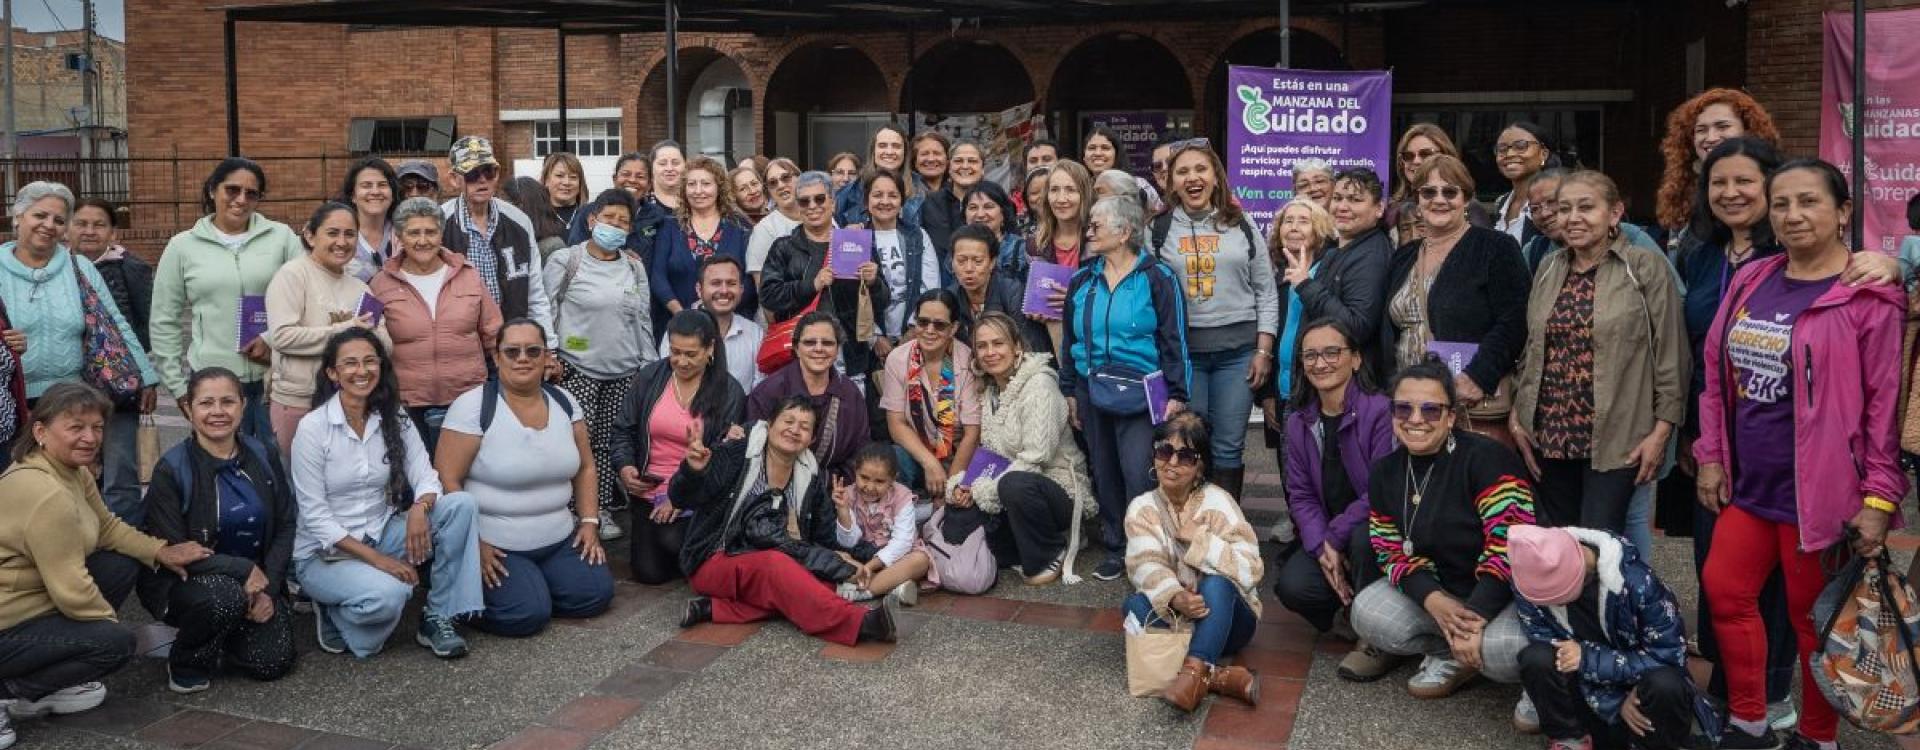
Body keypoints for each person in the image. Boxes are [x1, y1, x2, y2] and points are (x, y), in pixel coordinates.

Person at [1695, 159, 1907, 750]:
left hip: (1823, 497)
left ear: (1842, 212)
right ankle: (1749, 721)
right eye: (1781, 203)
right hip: (1751, 483)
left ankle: (1818, 738)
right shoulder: (1753, 277)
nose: (1792, 215)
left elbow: (1883, 410)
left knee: (1812, 622)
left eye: (1809, 202)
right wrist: (1711, 454)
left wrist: (1880, 498)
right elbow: (1716, 373)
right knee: (1725, 592)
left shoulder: (1869, 297)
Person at [0, 383, 211, 744]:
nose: (90, 437)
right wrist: (107, 635)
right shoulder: (45, 493)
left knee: (120, 564)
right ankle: (11, 691)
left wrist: (159, 550)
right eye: (75, 427)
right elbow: (72, 592)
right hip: (8, 624)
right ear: (40, 432)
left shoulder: (71, 471)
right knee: (113, 644)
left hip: (32, 605)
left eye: (97, 427)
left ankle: (47, 681)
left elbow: (107, 528)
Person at [1351, 359, 1537, 719]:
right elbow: (1389, 549)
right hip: (1447, 590)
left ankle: (1540, 682)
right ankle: (1452, 652)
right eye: (1403, 408)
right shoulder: (1386, 472)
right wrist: (1432, 599)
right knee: (1368, 614)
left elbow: (1509, 548)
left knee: (1501, 652)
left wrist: (1477, 615)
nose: (1415, 419)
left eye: (1431, 410)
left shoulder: (1487, 459)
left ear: (1451, 417)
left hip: (1509, 594)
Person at [1511, 170, 1687, 535]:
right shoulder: (1549, 267)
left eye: (1586, 207)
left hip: (1617, 437)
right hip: (1551, 435)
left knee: (1601, 546)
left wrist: (1661, 434)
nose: (1572, 218)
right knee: (1561, 551)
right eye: (1564, 209)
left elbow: (1672, 356)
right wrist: (1518, 416)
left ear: (1615, 213)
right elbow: (1533, 349)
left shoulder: (1643, 267)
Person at [291, 328, 484, 660]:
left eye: (370, 361)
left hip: (381, 533)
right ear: (332, 373)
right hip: (325, 555)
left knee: (461, 506)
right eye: (350, 363)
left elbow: (426, 476)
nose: (362, 371)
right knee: (389, 600)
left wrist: (421, 509)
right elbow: (316, 518)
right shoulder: (313, 428)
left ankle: (438, 615)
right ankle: (333, 608)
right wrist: (381, 562)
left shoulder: (393, 416)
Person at [434, 319, 614, 637]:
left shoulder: (564, 401)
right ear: (496, 357)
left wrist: (589, 521)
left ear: (547, 357)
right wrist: (473, 544)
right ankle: (470, 597)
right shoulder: (473, 407)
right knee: (526, 615)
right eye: (512, 351)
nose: (523, 358)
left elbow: (586, 467)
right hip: (496, 545)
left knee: (595, 594)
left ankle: (534, 584)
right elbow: (447, 480)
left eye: (533, 351)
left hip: (558, 538)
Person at [672, 396, 900, 646]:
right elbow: (682, 498)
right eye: (788, 421)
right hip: (717, 558)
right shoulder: (736, 454)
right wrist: (692, 471)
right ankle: (861, 623)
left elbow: (823, 538)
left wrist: (864, 555)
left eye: (804, 427)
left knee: (810, 583)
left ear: (812, 439)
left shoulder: (810, 477)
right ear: (769, 424)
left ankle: (714, 609)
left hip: (778, 560)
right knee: (781, 568)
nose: (794, 430)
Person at [0, 182, 158, 522]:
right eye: (40, 215)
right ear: (18, 216)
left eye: (58, 219)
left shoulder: (79, 268)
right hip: (12, 400)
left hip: (69, 399)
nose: (49, 225)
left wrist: (145, 376)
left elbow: (114, 324)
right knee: (18, 488)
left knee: (70, 489)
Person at [140, 368, 298, 692]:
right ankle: (186, 662)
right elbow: (175, 552)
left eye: (227, 401)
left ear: (242, 405)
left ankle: (224, 636)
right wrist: (242, 570)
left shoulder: (262, 452)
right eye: (206, 403)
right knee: (223, 598)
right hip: (191, 584)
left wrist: (269, 590)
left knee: (271, 663)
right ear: (188, 409)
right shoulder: (171, 469)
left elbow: (285, 523)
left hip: (257, 583)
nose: (217, 412)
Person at [1062, 196, 1190, 582]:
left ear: (1125, 231)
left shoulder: (1158, 277)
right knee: (1104, 470)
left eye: (1097, 224)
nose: (1090, 231)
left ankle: (1148, 547)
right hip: (1091, 388)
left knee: (1139, 471)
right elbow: (1070, 339)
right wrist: (1070, 389)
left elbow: (1175, 339)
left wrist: (1178, 396)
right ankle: (1117, 545)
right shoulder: (1082, 279)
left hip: (1143, 390)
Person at [1510, 525, 1716, 750]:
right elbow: (1547, 643)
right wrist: (1616, 704)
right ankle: (1570, 739)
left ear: (1576, 575)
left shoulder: (1638, 584)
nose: (1549, 605)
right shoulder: (1528, 581)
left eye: (1554, 599)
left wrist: (1588, 658)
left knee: (1665, 684)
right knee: (1537, 657)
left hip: (1641, 705)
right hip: (1593, 701)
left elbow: (1669, 658)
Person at [1270, 320, 1397, 680]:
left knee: (1362, 540)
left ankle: (1378, 638)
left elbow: (1380, 492)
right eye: (1310, 355)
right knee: (1292, 586)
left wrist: (1333, 537)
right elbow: (1300, 494)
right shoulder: (1298, 421)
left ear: (1355, 359)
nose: (1320, 363)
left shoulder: (1379, 411)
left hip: (1372, 532)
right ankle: (1350, 613)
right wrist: (1320, 543)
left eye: (1332, 352)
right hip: (1328, 535)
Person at [1151, 141, 1277, 502]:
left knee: (1228, 447)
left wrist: (1263, 350)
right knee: (1189, 444)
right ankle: (1189, 524)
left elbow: (1266, 291)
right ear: (1171, 182)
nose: (1193, 177)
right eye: (1183, 171)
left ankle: (1225, 530)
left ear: (1216, 177)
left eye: (1201, 169)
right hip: (1184, 359)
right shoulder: (1157, 230)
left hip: (1238, 355)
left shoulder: (1242, 223)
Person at [1378, 154, 1531, 447]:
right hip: (1410, 409)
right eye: (1428, 192)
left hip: (1466, 404)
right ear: (1417, 198)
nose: (1439, 199)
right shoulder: (1404, 256)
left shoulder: (1495, 248)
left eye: (1450, 191)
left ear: (1466, 198)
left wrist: (1479, 375)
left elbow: (1516, 318)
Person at [153, 157, 306, 442]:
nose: (241, 200)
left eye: (251, 193)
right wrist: (177, 386)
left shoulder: (282, 238)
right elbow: (164, 319)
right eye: (232, 190)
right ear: (213, 190)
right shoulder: (182, 246)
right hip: (214, 384)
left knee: (278, 469)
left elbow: (306, 297)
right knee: (221, 469)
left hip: (275, 379)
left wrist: (271, 338)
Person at [1122, 412, 1263, 712]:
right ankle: (1211, 675)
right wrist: (1174, 596)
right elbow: (1144, 565)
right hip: (1179, 616)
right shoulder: (1141, 508)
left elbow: (1252, 568)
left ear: (1200, 467)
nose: (1171, 463)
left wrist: (1201, 542)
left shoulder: (1219, 501)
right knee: (1132, 607)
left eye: (1185, 456)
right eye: (1164, 451)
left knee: (1217, 585)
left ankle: (1195, 667)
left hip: (1230, 621)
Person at [949, 311, 1095, 585]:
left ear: (1017, 347)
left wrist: (982, 490)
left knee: (1016, 484)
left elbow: (1035, 459)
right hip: (1007, 488)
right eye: (982, 346)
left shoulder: (1040, 385)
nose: (990, 352)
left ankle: (1053, 548)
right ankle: (1016, 546)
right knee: (958, 516)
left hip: (1058, 490)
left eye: (998, 343)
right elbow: (992, 458)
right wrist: (965, 486)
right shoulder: (991, 390)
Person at [545, 188, 655, 538]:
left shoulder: (634, 267)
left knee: (608, 445)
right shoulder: (567, 261)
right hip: (576, 367)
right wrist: (550, 355)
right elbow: (545, 310)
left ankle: (601, 509)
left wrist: (648, 367)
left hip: (623, 370)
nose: (616, 225)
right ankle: (568, 510)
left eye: (623, 221)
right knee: (576, 443)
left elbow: (642, 320)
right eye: (609, 218)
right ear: (592, 220)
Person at [613, 310, 748, 585]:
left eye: (691, 354)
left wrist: (682, 496)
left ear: (710, 349)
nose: (681, 361)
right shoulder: (650, 377)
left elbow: (725, 462)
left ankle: (705, 546)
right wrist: (626, 467)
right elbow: (623, 430)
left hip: (695, 492)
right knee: (648, 573)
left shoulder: (728, 391)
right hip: (649, 489)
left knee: (674, 542)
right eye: (675, 352)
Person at [370, 197, 504, 453]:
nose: (423, 240)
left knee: (464, 475)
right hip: (407, 403)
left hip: (467, 398)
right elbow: (371, 344)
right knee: (418, 479)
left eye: (430, 232)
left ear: (441, 234)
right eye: (414, 233)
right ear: (399, 236)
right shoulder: (380, 284)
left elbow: (494, 335)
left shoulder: (468, 276)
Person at [265, 202, 389, 457]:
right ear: (310, 236)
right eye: (332, 233)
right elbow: (282, 336)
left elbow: (385, 346)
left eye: (349, 234)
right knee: (297, 487)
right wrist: (348, 330)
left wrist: (365, 337)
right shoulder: (292, 275)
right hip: (299, 401)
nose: (342, 242)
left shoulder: (361, 288)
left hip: (350, 404)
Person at [761, 171, 888, 384]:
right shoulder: (784, 247)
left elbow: (883, 302)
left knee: (848, 415)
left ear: (833, 203)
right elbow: (769, 296)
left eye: (819, 198)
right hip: (799, 354)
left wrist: (874, 282)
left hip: (849, 353)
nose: (812, 206)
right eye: (804, 201)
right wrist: (811, 285)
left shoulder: (856, 242)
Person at [67, 197, 151, 511]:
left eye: (99, 224)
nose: (89, 231)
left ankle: (125, 542)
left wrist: (143, 376)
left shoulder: (133, 268)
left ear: (113, 233)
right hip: (71, 384)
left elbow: (144, 327)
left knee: (120, 468)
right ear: (67, 229)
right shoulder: (53, 268)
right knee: (75, 462)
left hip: (119, 387)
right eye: (81, 223)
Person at [440, 136, 556, 348]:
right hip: (460, 347)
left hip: (512, 345)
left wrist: (548, 346)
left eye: (489, 171)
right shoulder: (439, 223)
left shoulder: (519, 220)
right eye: (473, 174)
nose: (482, 180)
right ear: (454, 179)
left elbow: (535, 293)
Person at [879, 289, 980, 508]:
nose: (929, 331)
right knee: (893, 458)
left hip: (961, 457)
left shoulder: (968, 362)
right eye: (923, 322)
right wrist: (930, 464)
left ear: (953, 328)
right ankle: (895, 521)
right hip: (920, 455)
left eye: (940, 325)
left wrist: (951, 485)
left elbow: (972, 433)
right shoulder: (898, 359)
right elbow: (896, 423)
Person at [1258, 199, 1338, 462]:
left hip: (1317, 390)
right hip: (1283, 393)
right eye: (1287, 221)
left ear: (1319, 230)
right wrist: (1267, 394)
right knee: (1291, 482)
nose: (1293, 227)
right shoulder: (1275, 275)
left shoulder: (1330, 270)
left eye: (1303, 221)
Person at [747, 312, 870, 479]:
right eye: (810, 342)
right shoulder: (769, 392)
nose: (818, 348)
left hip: (833, 492)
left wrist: (827, 485)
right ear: (797, 348)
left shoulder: (851, 394)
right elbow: (753, 450)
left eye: (827, 343)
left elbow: (860, 453)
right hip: (775, 490)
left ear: (837, 349)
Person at [1655, 88, 1781, 248]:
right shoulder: (1681, 189)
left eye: (1723, 126)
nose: (1711, 137)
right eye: (1701, 130)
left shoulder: (1778, 182)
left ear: (1749, 130)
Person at [653, 156, 754, 334]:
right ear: (684, 190)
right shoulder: (669, 227)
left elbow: (749, 279)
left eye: (706, 183)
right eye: (691, 184)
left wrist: (721, 311)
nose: (698, 191)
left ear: (719, 188)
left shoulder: (740, 228)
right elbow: (658, 277)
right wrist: (682, 314)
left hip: (731, 327)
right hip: (678, 327)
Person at [830, 445, 934, 603]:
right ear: (855, 472)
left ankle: (864, 592)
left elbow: (903, 542)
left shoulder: (902, 496)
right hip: (860, 557)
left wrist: (869, 567)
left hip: (894, 558)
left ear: (892, 480)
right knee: (834, 556)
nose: (870, 487)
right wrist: (843, 510)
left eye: (879, 481)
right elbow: (848, 542)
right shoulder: (848, 494)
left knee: (921, 560)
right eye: (864, 477)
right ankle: (891, 586)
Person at [864, 170, 943, 363]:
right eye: (877, 195)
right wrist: (874, 336)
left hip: (913, 334)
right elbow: (849, 295)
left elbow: (931, 287)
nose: (885, 201)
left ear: (901, 201)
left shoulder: (917, 235)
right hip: (871, 342)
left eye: (893, 195)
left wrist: (914, 328)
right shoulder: (857, 238)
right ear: (866, 201)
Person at [660, 255, 761, 392]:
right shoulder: (677, 330)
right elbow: (667, 383)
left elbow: (759, 388)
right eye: (716, 283)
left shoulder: (755, 333)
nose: (724, 291)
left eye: (731, 283)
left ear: (741, 289)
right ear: (699, 289)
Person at [946, 224, 1049, 355]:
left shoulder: (1012, 292)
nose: (969, 268)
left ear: (992, 262)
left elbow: (1032, 349)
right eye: (961, 261)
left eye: (977, 261)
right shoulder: (950, 297)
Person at [1389, 124, 1492, 239]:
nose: (1416, 161)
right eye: (1408, 156)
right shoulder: (1393, 208)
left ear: (1446, 156)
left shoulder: (1468, 207)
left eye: (1426, 154)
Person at [834, 125, 917, 229]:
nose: (889, 152)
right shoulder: (846, 195)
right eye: (882, 145)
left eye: (896, 146)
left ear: (905, 152)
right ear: (873, 151)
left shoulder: (922, 191)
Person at [923, 139, 987, 264]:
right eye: (958, 161)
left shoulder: (996, 202)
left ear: (983, 168)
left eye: (972, 161)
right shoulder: (931, 203)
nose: (965, 166)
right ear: (949, 167)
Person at [1493, 122, 1557, 245]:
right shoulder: (1501, 203)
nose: (1509, 154)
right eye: (1502, 149)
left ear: (1544, 153)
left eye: (1521, 146)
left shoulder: (1556, 199)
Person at [336, 157, 397, 281]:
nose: (375, 191)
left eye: (382, 185)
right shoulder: (336, 235)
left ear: (393, 194)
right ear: (353, 195)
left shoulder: (405, 233)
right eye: (366, 186)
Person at [746, 158, 802, 287]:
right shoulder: (764, 230)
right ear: (769, 191)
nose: (780, 185)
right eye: (772, 183)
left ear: (800, 179)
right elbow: (763, 289)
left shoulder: (821, 216)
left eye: (786, 177)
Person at [1082, 126, 1162, 213]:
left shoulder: (1138, 185)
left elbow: (1160, 218)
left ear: (1117, 155)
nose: (1098, 153)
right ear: (1084, 157)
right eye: (1092, 148)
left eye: (1105, 148)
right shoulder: (1080, 189)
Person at [959, 180, 1029, 278]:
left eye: (988, 207)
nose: (980, 214)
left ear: (1003, 213)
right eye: (973, 207)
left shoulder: (1021, 249)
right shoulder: (957, 248)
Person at [1035, 160, 1094, 268]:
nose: (1061, 199)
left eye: (1071, 190)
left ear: (1084, 195)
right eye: (1054, 190)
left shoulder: (1098, 240)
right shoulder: (1035, 245)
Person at [908, 132, 952, 253]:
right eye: (924, 154)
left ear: (948, 160)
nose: (931, 159)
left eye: (937, 153)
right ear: (914, 161)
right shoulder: (904, 194)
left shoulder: (956, 193)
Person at [543, 152, 588, 249]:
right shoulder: (536, 216)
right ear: (546, 180)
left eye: (573, 177)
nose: (566, 182)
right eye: (559, 176)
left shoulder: (590, 215)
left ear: (580, 183)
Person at [648, 140, 688, 214]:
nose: (669, 168)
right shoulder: (641, 204)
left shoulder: (696, 200)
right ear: (651, 167)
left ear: (685, 166)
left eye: (675, 163)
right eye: (662, 164)